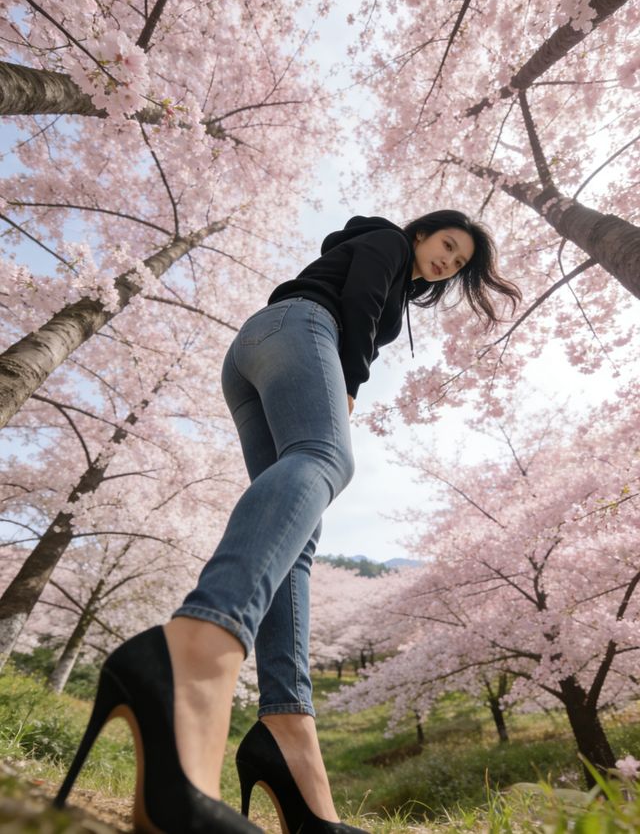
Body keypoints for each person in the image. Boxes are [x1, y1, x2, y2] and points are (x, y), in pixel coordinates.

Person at [55, 211, 521, 833]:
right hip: (301, 329)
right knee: (326, 456)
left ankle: (289, 734)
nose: (448, 263)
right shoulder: (385, 240)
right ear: (421, 233)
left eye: (459, 264)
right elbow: (358, 298)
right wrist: (352, 380)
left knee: (297, 540)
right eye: (447, 246)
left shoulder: (394, 270)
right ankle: (195, 647)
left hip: (258, 348)